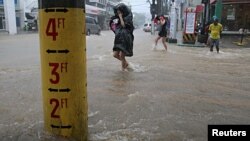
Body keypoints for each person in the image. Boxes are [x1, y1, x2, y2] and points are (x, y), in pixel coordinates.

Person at [109, 3, 134, 71]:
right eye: (117, 11)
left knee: (122, 56)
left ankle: (123, 72)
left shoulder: (128, 18)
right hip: (119, 39)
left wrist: (120, 17)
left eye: (119, 11)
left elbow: (124, 26)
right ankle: (126, 64)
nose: (118, 12)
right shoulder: (117, 18)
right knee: (115, 54)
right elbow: (115, 26)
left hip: (125, 39)